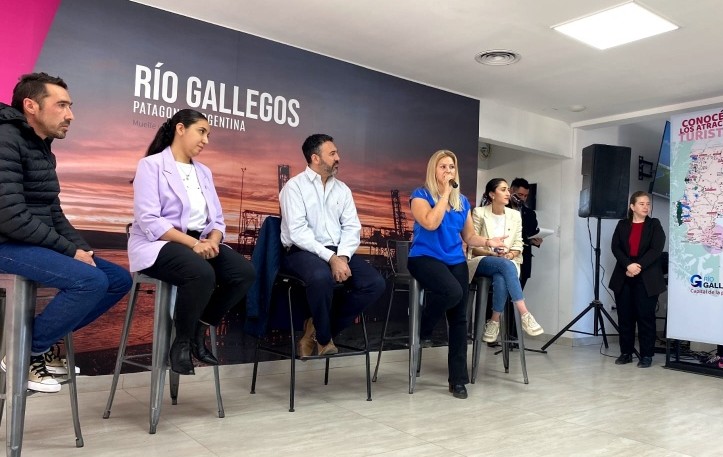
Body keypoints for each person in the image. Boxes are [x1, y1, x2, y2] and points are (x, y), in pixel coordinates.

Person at [0, 72, 132, 392]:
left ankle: (42, 344)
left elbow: (54, 212)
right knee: (89, 281)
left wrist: (81, 249)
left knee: (117, 280)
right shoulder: (6, 138)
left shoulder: (43, 147)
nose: (70, 115)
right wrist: (69, 252)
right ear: (31, 106)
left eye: (70, 106)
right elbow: (9, 217)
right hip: (6, 241)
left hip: (27, 242)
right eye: (61, 105)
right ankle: (26, 351)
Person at [128, 109, 255, 375]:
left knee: (243, 273)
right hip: (159, 243)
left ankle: (199, 328)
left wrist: (214, 240)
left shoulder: (204, 172)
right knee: (201, 273)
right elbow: (149, 219)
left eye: (208, 134)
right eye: (202, 132)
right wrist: (193, 244)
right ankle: (182, 343)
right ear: (181, 129)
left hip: (199, 243)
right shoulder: (151, 166)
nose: (206, 140)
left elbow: (217, 220)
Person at [407, 150, 507, 399]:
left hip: (454, 259)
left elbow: (469, 237)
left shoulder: (462, 202)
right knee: (453, 291)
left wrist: (488, 240)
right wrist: (443, 195)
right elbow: (430, 223)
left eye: (451, 166)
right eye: (442, 167)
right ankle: (424, 328)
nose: (448, 171)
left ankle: (458, 380)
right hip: (423, 258)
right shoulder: (420, 196)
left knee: (460, 317)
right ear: (434, 170)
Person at [279, 134, 385, 358]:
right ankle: (325, 340)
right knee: (320, 277)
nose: (339, 157)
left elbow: (352, 227)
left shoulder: (343, 190)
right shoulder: (294, 188)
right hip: (302, 251)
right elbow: (298, 233)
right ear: (315, 158)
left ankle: (317, 329)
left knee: (374, 283)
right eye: (333, 153)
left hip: (339, 251)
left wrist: (343, 257)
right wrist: (331, 258)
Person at [468, 178, 544, 343]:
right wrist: (493, 253)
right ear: (491, 194)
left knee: (502, 272)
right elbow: (472, 246)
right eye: (503, 190)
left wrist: (508, 255)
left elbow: (518, 245)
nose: (508, 193)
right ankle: (525, 313)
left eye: (507, 190)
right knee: (504, 266)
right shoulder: (479, 213)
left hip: (507, 262)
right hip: (482, 260)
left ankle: (494, 321)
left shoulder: (515, 215)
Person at [609, 191, 666, 368]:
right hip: (624, 276)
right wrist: (628, 266)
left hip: (647, 278)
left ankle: (646, 355)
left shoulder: (654, 225)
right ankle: (625, 353)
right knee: (625, 317)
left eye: (648, 204)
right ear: (632, 207)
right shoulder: (622, 225)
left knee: (645, 317)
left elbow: (656, 250)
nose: (646, 207)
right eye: (641, 204)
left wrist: (637, 266)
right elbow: (615, 247)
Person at [508, 178, 542, 291]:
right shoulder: (501, 209)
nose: (523, 198)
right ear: (511, 191)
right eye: (520, 194)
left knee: (517, 294)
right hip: (506, 257)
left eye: (526, 196)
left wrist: (535, 240)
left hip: (525, 259)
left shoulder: (530, 214)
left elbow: (531, 233)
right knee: (499, 296)